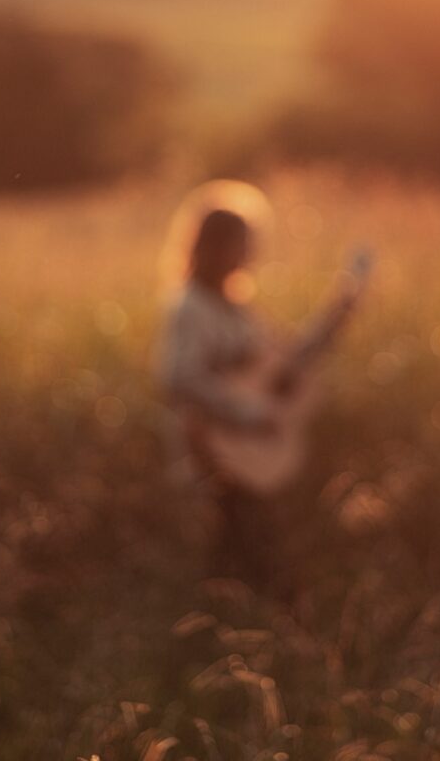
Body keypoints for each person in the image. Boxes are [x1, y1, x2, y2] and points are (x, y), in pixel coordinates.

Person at [158, 182, 369, 594]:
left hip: (245, 459)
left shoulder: (239, 312)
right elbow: (181, 378)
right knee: (234, 557)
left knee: (248, 555)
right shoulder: (189, 307)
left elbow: (287, 365)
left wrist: (342, 307)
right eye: (239, 244)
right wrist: (248, 414)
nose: (247, 254)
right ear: (211, 246)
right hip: (212, 455)